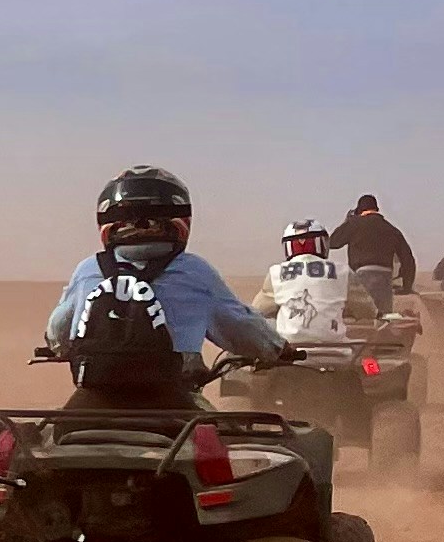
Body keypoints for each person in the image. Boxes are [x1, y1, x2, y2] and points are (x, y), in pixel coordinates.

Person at [40, 165, 289, 412]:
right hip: (173, 403)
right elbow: (242, 327)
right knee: (225, 442)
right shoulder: (195, 271)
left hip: (92, 403)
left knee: (50, 438)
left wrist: (58, 348)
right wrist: (277, 348)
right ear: (178, 221)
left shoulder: (87, 270)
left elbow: (57, 330)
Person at [257, 218, 357, 345]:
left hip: (289, 353)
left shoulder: (276, 272)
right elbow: (366, 310)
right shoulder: (343, 271)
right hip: (337, 351)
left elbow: (260, 309)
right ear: (322, 243)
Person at [338, 193, 417, 303]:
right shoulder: (391, 229)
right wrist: (407, 287)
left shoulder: (354, 224)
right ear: (377, 209)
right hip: (385, 276)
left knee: (357, 314)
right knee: (385, 314)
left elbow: (333, 242)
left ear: (359, 210)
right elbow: (408, 259)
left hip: (360, 276)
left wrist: (347, 223)